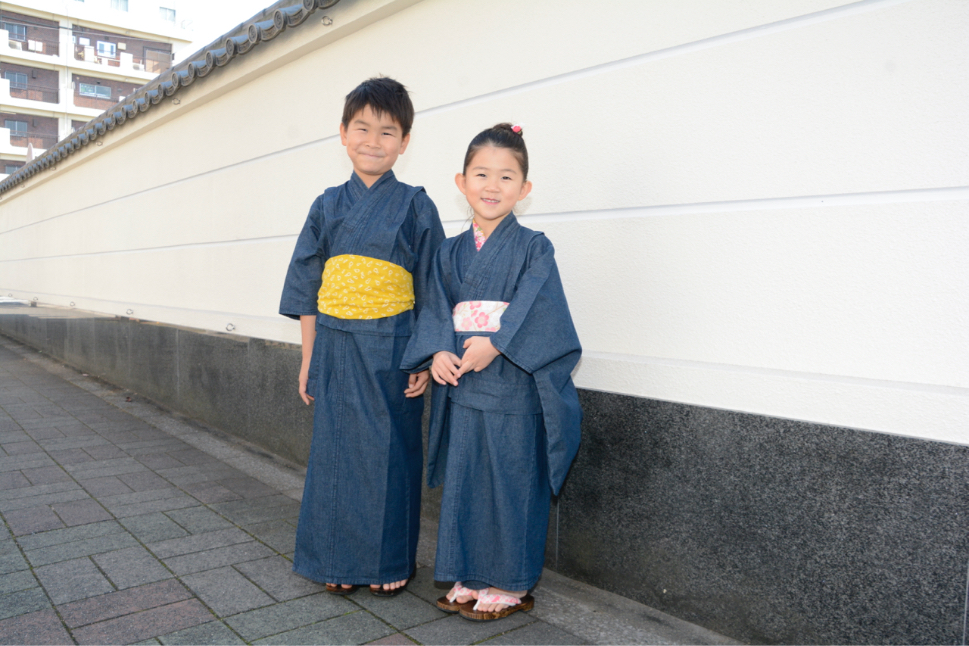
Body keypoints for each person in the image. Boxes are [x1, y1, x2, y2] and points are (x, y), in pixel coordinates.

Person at [401, 123, 582, 620]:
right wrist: (437, 351)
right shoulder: (449, 252)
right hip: (462, 383)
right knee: (466, 481)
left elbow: (536, 305)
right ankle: (469, 575)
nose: (492, 185)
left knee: (511, 481)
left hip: (512, 388)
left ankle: (511, 582)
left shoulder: (534, 248)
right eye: (482, 173)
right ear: (461, 182)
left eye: (506, 177)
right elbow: (436, 308)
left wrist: (499, 344)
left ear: (524, 190)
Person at [279, 77, 445, 596]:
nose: (373, 141)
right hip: (333, 343)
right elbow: (308, 284)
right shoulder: (327, 205)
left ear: (406, 141)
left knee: (391, 454)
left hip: (394, 347)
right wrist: (309, 358)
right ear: (343, 133)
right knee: (333, 454)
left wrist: (422, 357)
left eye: (388, 131)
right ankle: (337, 560)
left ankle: (389, 561)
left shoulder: (417, 205)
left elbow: (433, 289)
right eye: (362, 128)